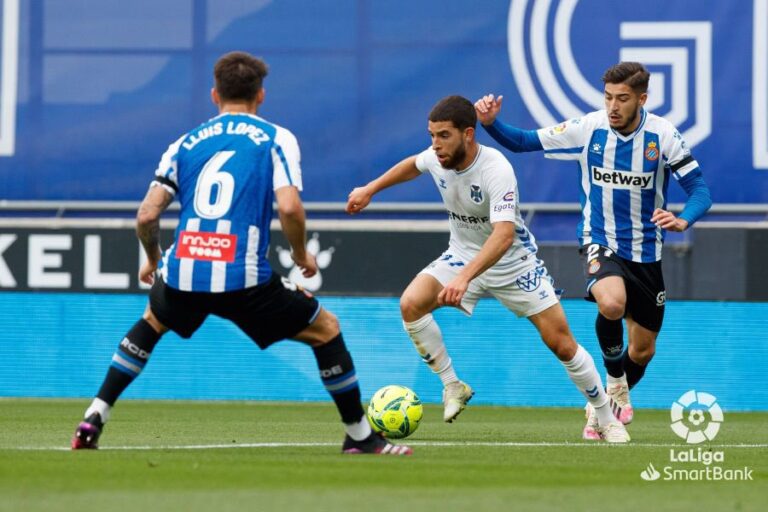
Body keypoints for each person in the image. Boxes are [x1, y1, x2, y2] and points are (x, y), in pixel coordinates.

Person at [71, 51, 412, 456]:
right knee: (326, 330)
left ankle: (95, 415)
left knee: (152, 322)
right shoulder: (275, 138)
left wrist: (152, 257)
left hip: (183, 270)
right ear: (261, 95)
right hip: (242, 276)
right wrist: (302, 254)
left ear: (215, 94)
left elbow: (146, 215)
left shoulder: (183, 144)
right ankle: (359, 436)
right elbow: (288, 207)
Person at [346, 95, 630, 442]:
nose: (435, 145)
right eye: (432, 135)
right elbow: (412, 164)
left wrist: (465, 279)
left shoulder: (495, 169)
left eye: (443, 136)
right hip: (462, 254)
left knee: (562, 344)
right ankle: (453, 385)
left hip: (512, 261)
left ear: (468, 134)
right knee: (411, 304)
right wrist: (370, 189)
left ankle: (604, 415)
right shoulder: (438, 158)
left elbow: (503, 234)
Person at [474, 61, 712, 439]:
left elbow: (700, 191)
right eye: (607, 98)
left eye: (622, 99)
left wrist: (685, 219)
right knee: (612, 304)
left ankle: (599, 408)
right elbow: (524, 142)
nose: (613, 106)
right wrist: (490, 124)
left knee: (643, 350)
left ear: (642, 99)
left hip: (647, 252)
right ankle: (614, 383)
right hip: (599, 238)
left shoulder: (663, 136)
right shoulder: (589, 129)